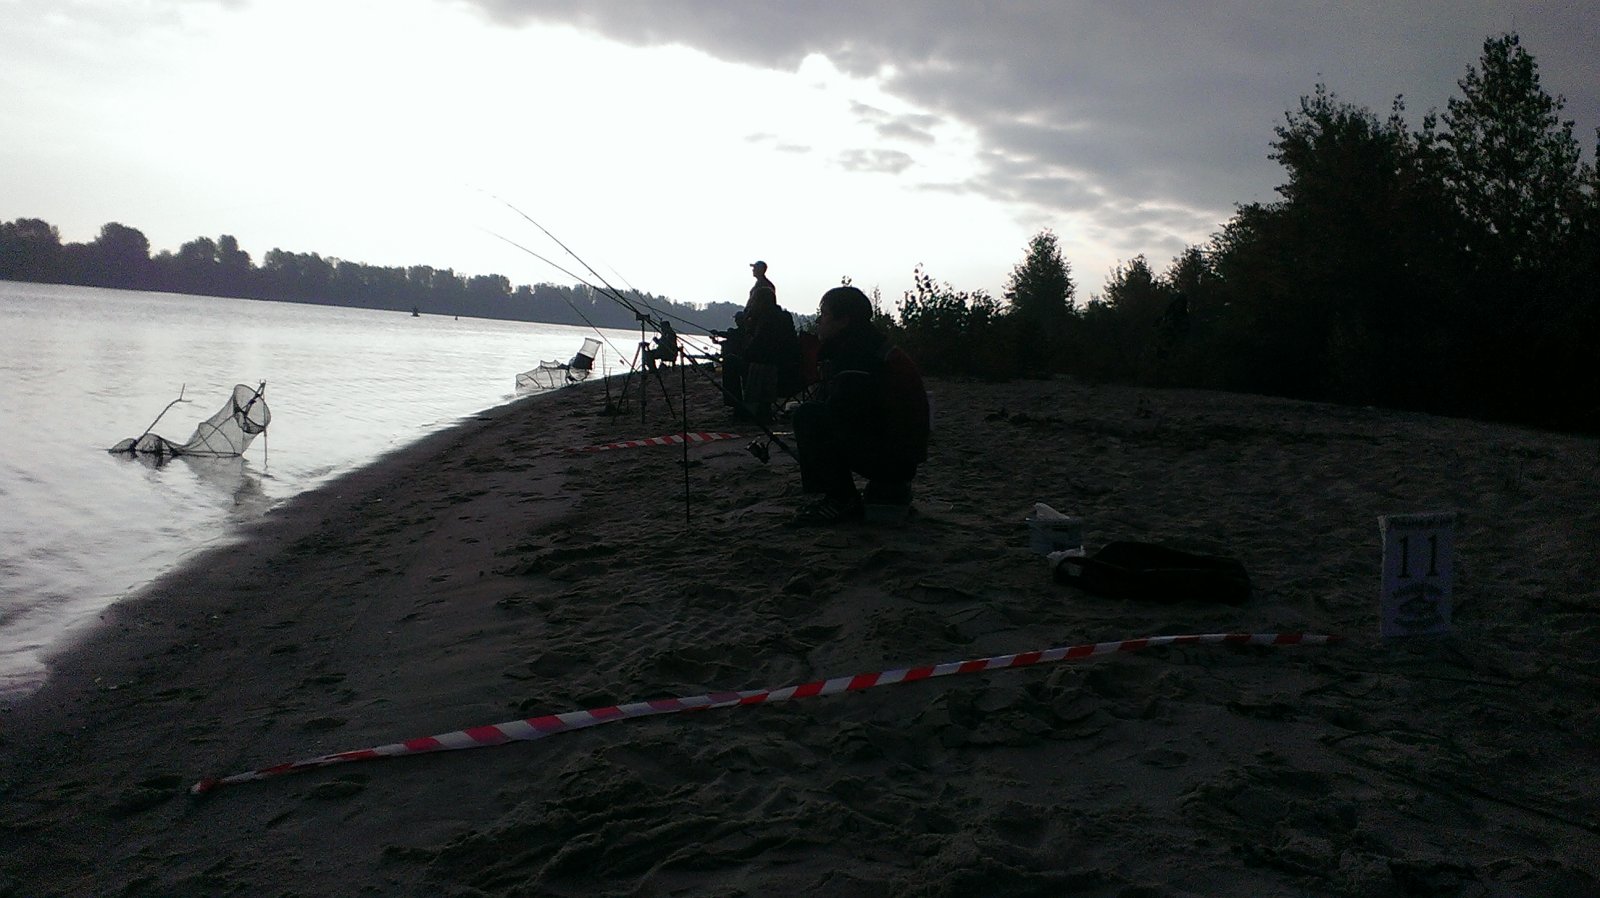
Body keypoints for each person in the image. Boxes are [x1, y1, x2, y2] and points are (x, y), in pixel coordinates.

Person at [790, 285, 929, 525]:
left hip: (894, 459)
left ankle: (840, 500)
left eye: (824, 314)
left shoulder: (857, 355)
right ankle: (853, 495)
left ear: (844, 320)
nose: (819, 321)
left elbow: (846, 412)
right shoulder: (871, 345)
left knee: (807, 416)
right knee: (815, 414)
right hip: (903, 456)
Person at [714, 260, 802, 419]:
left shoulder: (764, 321)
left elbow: (756, 350)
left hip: (773, 371)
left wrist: (743, 346)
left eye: (754, 301)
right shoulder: (783, 317)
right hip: (789, 370)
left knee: (731, 361)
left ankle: (738, 406)